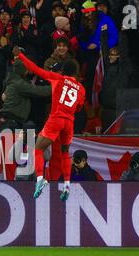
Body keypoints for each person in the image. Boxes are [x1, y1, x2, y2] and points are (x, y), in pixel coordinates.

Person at [14, 46, 86, 201]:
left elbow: (35, 68)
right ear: (76, 73)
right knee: (65, 153)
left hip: (56, 119)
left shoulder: (58, 79)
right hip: (69, 123)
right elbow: (79, 107)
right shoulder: (81, 88)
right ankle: (67, 184)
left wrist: (21, 55)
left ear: (64, 71)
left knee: (38, 149)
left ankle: (40, 180)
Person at [0, 58, 51, 130]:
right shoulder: (19, 84)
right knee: (16, 140)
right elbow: (38, 91)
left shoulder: (13, 79)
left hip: (10, 118)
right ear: (22, 70)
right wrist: (55, 87)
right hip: (13, 120)